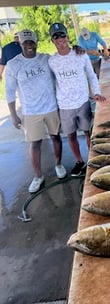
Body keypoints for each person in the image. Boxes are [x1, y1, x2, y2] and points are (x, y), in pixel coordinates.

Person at [5, 29, 67, 193]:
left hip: (51, 107)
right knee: (35, 144)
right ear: (20, 44)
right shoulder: (13, 65)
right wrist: (13, 115)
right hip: (30, 111)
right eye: (25, 42)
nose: (29, 45)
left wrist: (76, 50)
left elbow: (62, 64)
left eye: (31, 41)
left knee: (56, 137)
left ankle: (58, 164)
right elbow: (9, 91)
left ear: (36, 42)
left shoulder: (46, 59)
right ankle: (38, 176)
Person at [48, 23, 106, 176]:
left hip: (83, 102)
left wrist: (96, 93)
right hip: (65, 105)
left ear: (67, 37)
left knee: (88, 133)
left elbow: (92, 76)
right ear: (52, 41)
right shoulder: (51, 61)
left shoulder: (81, 54)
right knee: (71, 136)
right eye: (56, 37)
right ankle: (80, 162)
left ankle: (94, 161)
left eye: (62, 35)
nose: (60, 39)